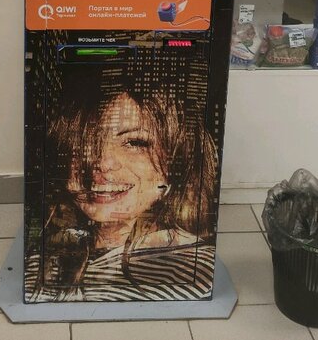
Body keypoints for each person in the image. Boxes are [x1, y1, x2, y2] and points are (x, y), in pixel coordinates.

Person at [25, 69, 220, 302]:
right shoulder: (40, 257)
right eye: (83, 144)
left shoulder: (191, 269)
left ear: (179, 159)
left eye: (135, 142)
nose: (101, 162)